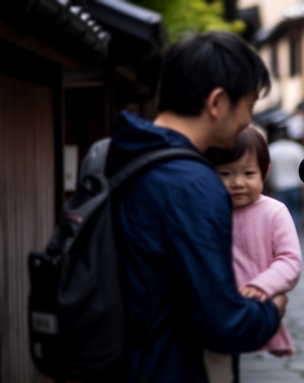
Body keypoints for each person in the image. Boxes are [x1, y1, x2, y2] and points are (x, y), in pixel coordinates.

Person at [107, 32, 287, 383]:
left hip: (117, 359)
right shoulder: (193, 183)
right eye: (248, 106)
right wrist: (272, 309)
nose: (248, 120)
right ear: (218, 102)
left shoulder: (116, 152)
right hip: (165, 366)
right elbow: (224, 322)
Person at [203, 126, 303, 382]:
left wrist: (262, 286)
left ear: (265, 170)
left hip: (253, 304)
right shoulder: (208, 209)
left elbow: (289, 260)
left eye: (248, 173)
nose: (237, 182)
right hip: (213, 310)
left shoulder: (274, 211)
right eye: (225, 173)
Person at [267, 127, 304, 229]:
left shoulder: (272, 149)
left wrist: (271, 183)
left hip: (279, 186)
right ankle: (294, 232)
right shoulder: (297, 148)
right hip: (295, 185)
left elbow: (269, 170)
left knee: (282, 213)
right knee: (295, 211)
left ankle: (285, 233)